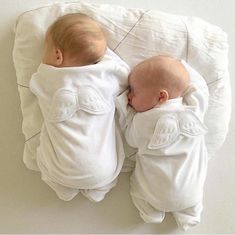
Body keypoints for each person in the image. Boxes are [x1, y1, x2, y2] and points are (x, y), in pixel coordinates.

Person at [29, 13, 130, 202]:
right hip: (103, 170)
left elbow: (33, 83)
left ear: (57, 55)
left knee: (45, 150)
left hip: (61, 171)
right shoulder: (105, 75)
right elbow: (125, 73)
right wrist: (97, 55)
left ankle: (64, 191)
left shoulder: (45, 80)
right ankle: (99, 190)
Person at [116, 55, 209, 230]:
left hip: (153, 195)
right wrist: (181, 65)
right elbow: (201, 89)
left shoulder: (144, 121)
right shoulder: (194, 111)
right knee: (194, 179)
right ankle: (189, 215)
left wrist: (124, 109)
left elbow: (130, 138)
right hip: (191, 193)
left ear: (160, 97)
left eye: (133, 91)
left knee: (138, 188)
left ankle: (150, 213)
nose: (128, 96)